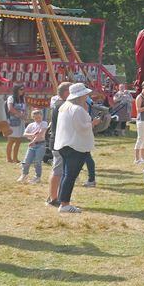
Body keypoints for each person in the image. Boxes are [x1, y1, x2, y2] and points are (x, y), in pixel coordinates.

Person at [53, 83, 99, 214]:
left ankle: (63, 201)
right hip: (75, 146)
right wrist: (93, 123)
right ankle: (65, 204)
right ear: (80, 95)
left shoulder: (64, 106)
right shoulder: (77, 109)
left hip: (65, 144)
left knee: (67, 175)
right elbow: (82, 127)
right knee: (70, 176)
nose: (87, 96)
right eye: (85, 94)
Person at [45, 81, 70, 206]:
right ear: (66, 92)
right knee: (57, 171)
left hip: (57, 141)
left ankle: (53, 196)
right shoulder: (62, 105)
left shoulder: (58, 103)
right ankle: (53, 198)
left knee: (58, 170)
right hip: (59, 142)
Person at [18, 108, 47, 184]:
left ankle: (37, 177)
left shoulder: (44, 123)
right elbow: (25, 134)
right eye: (35, 118)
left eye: (39, 117)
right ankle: (24, 174)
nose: (37, 119)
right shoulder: (31, 125)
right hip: (32, 145)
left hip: (41, 144)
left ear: (42, 116)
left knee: (37, 161)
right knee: (27, 161)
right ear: (33, 117)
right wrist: (33, 135)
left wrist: (33, 141)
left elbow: (40, 134)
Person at [5, 86, 28, 163]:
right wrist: (20, 114)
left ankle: (15, 158)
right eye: (21, 89)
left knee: (19, 140)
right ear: (16, 90)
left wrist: (24, 115)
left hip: (21, 122)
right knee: (11, 140)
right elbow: (10, 108)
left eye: (23, 89)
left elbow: (24, 109)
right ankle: (8, 158)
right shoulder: (11, 98)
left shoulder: (23, 99)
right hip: (13, 121)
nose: (23, 91)